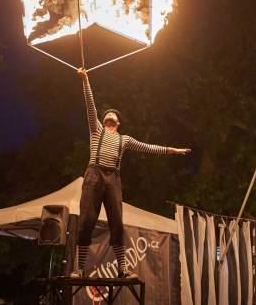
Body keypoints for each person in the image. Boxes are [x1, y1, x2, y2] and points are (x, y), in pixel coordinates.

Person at [72, 68, 190, 279]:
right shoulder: (96, 131)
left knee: (117, 223)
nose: (109, 116)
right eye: (107, 115)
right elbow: (90, 106)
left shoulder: (124, 140)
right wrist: (86, 80)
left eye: (113, 116)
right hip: (94, 175)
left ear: (118, 123)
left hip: (113, 179)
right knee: (87, 220)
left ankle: (122, 270)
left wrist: (172, 150)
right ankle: (80, 269)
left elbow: (148, 147)